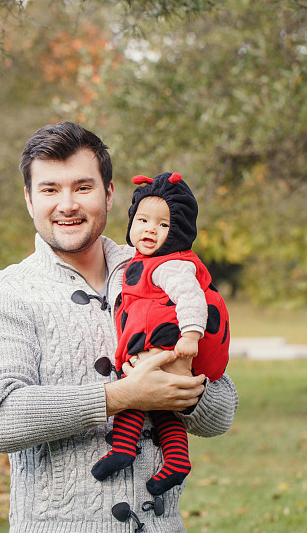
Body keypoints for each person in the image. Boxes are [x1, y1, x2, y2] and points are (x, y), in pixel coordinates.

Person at [0, 121, 238, 532]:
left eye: (83, 188)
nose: (67, 204)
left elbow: (223, 413)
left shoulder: (166, 271)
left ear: (109, 195)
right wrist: (121, 394)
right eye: (50, 189)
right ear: (29, 199)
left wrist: (185, 392)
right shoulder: (2, 294)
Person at [91, 172, 230, 496]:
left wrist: (191, 337)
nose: (150, 229)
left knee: (137, 393)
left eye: (163, 225)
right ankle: (178, 462)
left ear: (177, 231)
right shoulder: (140, 260)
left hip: (169, 345)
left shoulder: (171, 265)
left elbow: (191, 298)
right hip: (159, 342)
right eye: (142, 220)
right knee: (163, 406)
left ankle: (123, 449)